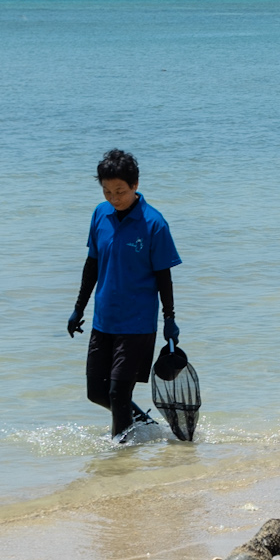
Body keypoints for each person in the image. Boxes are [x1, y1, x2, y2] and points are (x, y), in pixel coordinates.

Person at [68, 148, 182, 443]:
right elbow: (92, 264)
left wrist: (169, 319)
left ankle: (120, 460)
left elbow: (163, 276)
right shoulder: (100, 214)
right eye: (107, 191)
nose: (113, 198)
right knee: (96, 391)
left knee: (119, 392)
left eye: (119, 191)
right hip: (104, 318)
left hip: (137, 323)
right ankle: (139, 423)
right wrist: (78, 308)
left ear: (135, 185)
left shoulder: (154, 224)